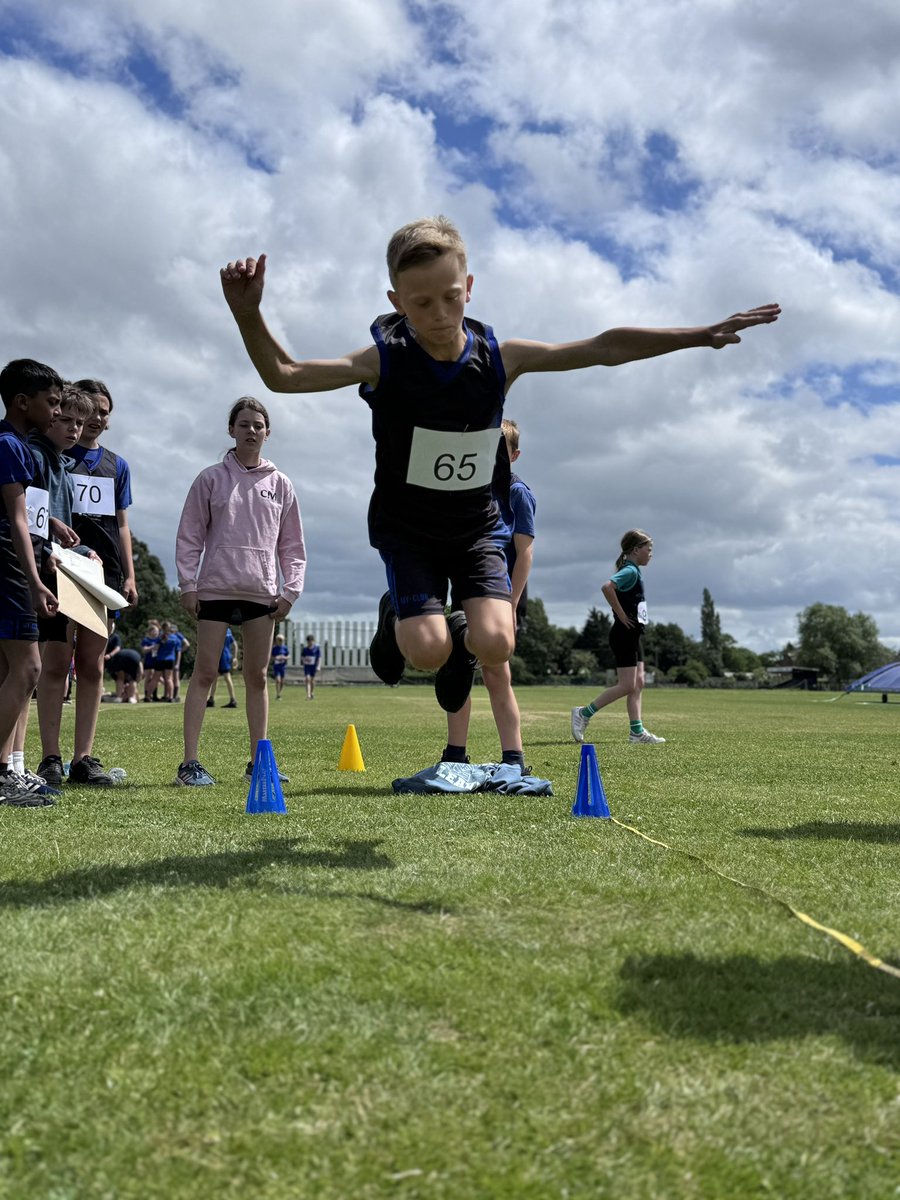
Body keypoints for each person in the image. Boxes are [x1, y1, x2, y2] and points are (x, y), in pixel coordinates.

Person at [220, 217, 779, 715]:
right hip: (409, 530)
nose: (438, 314)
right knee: (427, 651)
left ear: (469, 287)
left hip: (475, 527)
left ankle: (454, 626)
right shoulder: (383, 361)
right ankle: (399, 616)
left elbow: (603, 346)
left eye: (450, 297)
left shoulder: (500, 358)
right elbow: (285, 375)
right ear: (396, 301)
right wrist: (249, 313)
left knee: (498, 642)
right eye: (420, 304)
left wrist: (700, 335)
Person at [174, 398, 306, 786]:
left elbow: (292, 545)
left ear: (268, 432)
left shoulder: (281, 484)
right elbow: (190, 535)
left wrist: (290, 591)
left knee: (258, 677)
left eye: (258, 425)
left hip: (261, 595)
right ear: (231, 429)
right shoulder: (210, 479)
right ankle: (190, 764)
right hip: (214, 589)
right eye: (244, 424)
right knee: (204, 674)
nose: (251, 430)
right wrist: (188, 584)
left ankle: (258, 763)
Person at [38, 380, 138, 788]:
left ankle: (83, 758)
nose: (95, 419)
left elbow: (123, 523)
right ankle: (49, 757)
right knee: (57, 662)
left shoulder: (118, 465)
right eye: (89, 410)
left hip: (104, 572)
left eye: (103, 411)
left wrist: (129, 575)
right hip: (61, 567)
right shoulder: (54, 455)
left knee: (94, 665)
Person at [442, 418, 535, 769]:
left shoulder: (517, 493)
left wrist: (511, 605)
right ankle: (454, 754)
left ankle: (513, 757)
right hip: (467, 590)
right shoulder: (470, 492)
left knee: (497, 673)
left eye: (500, 451)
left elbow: (524, 552)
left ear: (514, 454)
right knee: (458, 669)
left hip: (502, 596)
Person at [0, 358, 62, 807]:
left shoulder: (14, 444)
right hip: (9, 564)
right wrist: (36, 579)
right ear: (23, 402)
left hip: (12, 562)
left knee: (8, 670)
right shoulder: (11, 444)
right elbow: (18, 520)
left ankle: (7, 771)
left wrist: (53, 524)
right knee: (29, 668)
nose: (57, 411)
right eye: (52, 402)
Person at [571, 529, 664, 745]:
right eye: (648, 550)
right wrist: (621, 615)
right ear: (636, 549)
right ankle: (583, 713)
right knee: (627, 685)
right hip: (624, 635)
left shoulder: (635, 571)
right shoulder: (630, 571)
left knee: (638, 683)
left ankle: (636, 733)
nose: (650, 554)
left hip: (634, 635)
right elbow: (607, 587)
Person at [208, 626, 237, 708]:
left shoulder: (219, 629)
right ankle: (211, 699)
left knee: (227, 677)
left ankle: (233, 700)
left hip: (222, 656)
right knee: (215, 677)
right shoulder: (228, 631)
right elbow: (235, 644)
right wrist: (234, 657)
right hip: (225, 655)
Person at [298, 634, 319, 699]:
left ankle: (312, 692)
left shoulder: (316, 649)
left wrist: (318, 666)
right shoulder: (305, 649)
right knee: (307, 679)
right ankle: (308, 695)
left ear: (313, 641)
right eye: (309, 641)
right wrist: (304, 660)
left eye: (311, 641)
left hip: (313, 666)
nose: (310, 642)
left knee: (312, 680)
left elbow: (319, 658)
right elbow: (302, 657)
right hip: (307, 667)